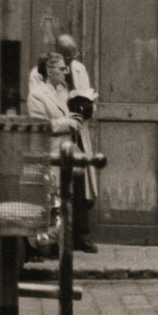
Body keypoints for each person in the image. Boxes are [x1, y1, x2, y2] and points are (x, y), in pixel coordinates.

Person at [55, 34, 101, 253]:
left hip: (78, 132)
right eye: (68, 56)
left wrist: (87, 107)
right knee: (58, 184)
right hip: (60, 135)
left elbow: (88, 94)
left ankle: (81, 235)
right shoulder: (49, 70)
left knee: (81, 184)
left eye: (73, 55)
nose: (71, 60)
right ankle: (57, 235)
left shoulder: (80, 68)